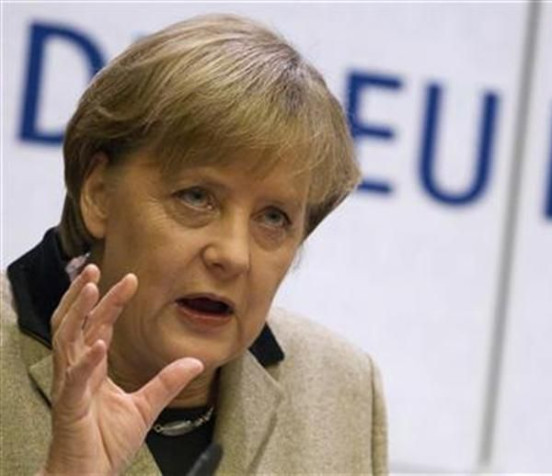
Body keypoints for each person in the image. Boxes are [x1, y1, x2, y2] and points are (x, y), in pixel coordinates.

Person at [0, 14, 387, 475]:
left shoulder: (339, 387)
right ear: (99, 194)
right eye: (197, 197)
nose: (233, 255)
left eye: (272, 217)